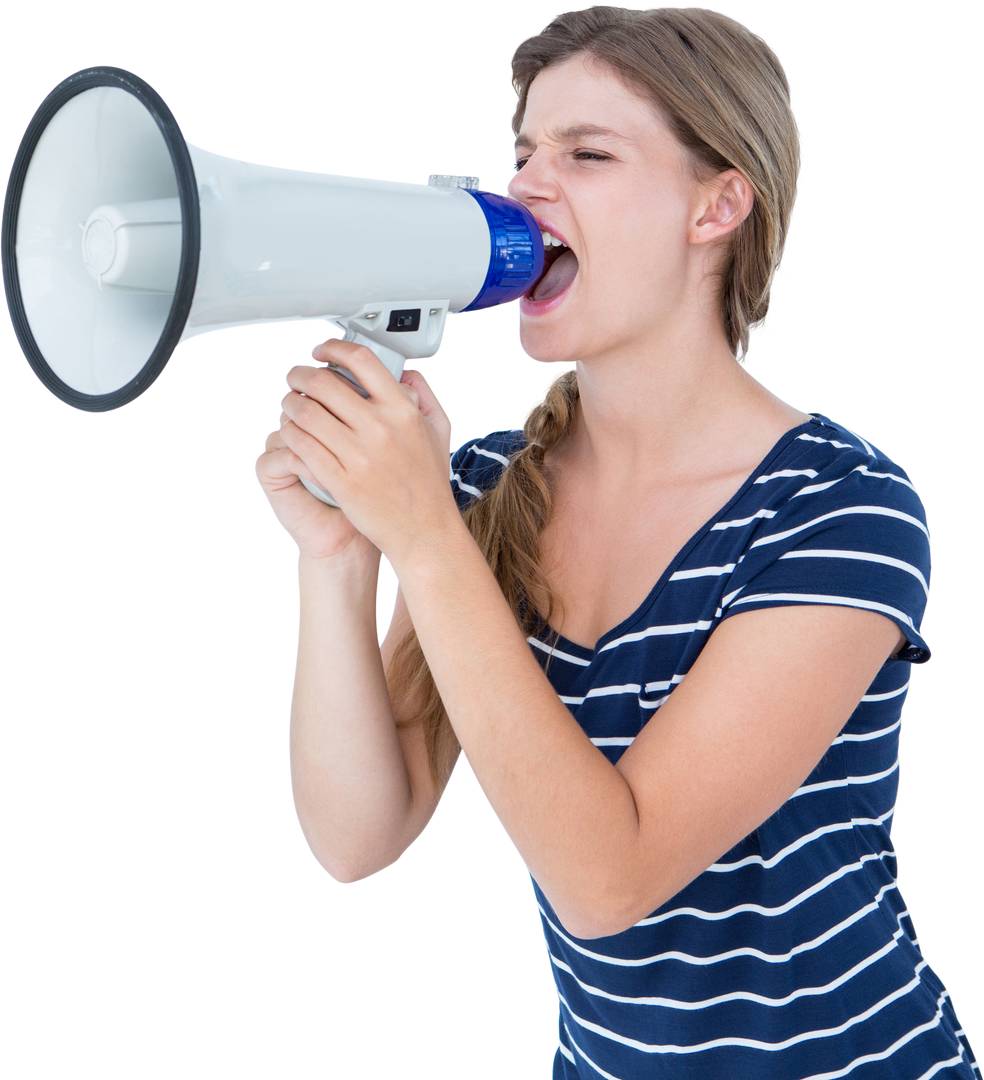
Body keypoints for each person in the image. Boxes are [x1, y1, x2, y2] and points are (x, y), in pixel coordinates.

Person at [254, 3, 979, 1077]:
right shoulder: (486, 483)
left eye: (588, 154)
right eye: (522, 153)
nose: (526, 188)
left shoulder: (845, 507)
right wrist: (340, 558)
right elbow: (359, 838)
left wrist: (426, 539)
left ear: (717, 204)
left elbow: (611, 880)